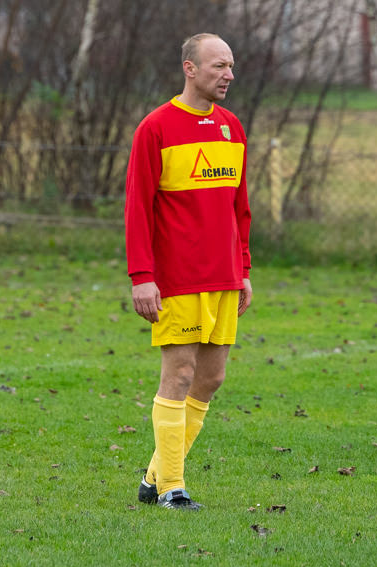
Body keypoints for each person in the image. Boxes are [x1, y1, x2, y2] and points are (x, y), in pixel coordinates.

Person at [124, 33, 252, 511]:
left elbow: (239, 207)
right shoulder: (155, 128)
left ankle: (154, 477)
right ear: (190, 69)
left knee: (210, 378)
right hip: (176, 278)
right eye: (219, 66)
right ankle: (172, 490)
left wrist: (243, 267)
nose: (229, 75)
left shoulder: (232, 127)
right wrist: (142, 276)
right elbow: (138, 209)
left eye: (231, 66)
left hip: (223, 275)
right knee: (178, 374)